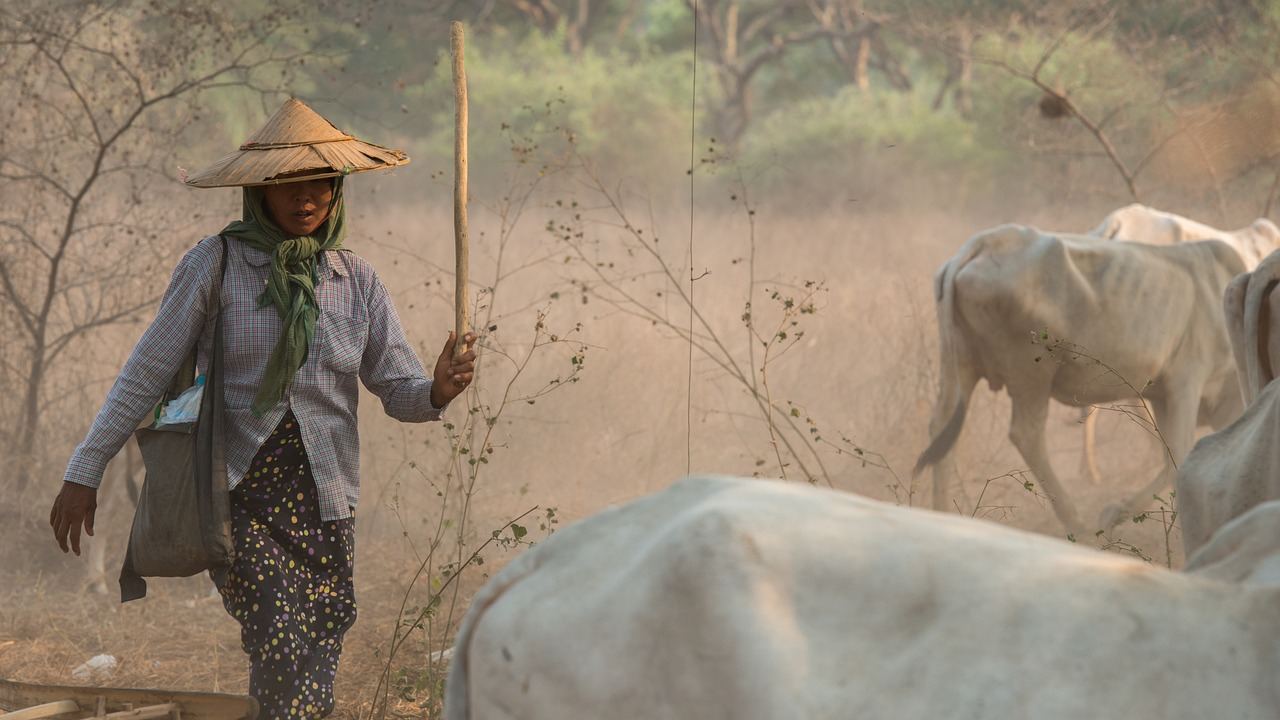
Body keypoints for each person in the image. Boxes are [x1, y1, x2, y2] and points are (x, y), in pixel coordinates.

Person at [48, 98, 475, 719]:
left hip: (326, 495)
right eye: (288, 186)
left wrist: (438, 390)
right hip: (236, 492)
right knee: (281, 630)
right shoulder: (216, 263)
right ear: (259, 192)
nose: (306, 200)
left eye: (320, 185)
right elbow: (147, 370)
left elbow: (401, 390)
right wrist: (85, 470)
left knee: (326, 621)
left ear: (337, 190)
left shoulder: (355, 281)